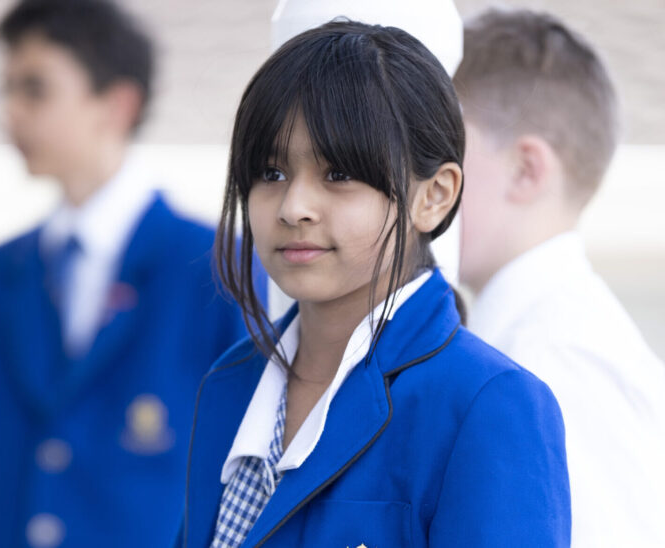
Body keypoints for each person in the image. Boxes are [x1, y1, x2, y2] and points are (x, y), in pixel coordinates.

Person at [178, 21, 570, 548]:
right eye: (270, 173)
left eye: (338, 174)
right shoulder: (230, 382)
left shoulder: (487, 403)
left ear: (434, 195)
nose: (294, 207)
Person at [0, 1, 262, 547]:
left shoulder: (217, 268)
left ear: (117, 104)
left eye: (35, 89)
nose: (11, 112)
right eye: (5, 89)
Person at [453, 8, 665, 547]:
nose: (420, 181)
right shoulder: (541, 342)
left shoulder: (554, 361)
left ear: (527, 169)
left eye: (443, 151)